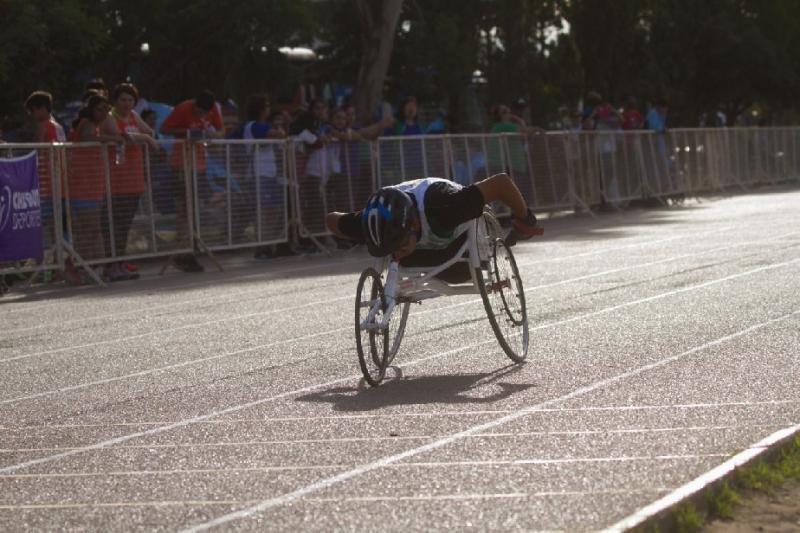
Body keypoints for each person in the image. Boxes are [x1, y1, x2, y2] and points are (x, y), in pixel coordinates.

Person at [325, 174, 540, 283]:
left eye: (400, 243)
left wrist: (525, 219)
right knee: (402, 258)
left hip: (459, 242)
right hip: (423, 247)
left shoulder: (446, 207)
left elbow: (502, 183)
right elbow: (332, 220)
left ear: (414, 224)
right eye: (393, 247)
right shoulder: (368, 222)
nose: (397, 251)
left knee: (458, 275)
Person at [159, 90, 225, 272]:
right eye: (199, 112)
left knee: (194, 208)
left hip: (200, 164)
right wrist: (188, 132)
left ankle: (190, 248)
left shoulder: (213, 110)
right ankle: (184, 252)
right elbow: (164, 129)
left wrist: (213, 134)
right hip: (181, 163)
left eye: (205, 113)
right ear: (195, 104)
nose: (202, 115)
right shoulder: (183, 108)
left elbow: (221, 130)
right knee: (184, 209)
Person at [100, 83, 158, 281]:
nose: (126, 104)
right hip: (116, 179)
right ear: (115, 101)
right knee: (113, 224)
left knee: (125, 225)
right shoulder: (110, 116)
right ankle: (111, 264)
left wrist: (144, 136)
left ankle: (120, 262)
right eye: (123, 99)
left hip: (134, 178)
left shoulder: (134, 115)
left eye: (130, 100)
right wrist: (144, 138)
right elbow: (122, 136)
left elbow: (148, 131)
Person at [66, 94, 124, 283]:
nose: (103, 113)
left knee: (92, 228)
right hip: (83, 185)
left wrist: (112, 133)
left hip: (93, 184)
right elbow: (88, 136)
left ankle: (88, 264)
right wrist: (111, 138)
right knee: (88, 228)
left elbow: (111, 133)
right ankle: (80, 265)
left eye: (106, 109)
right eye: (100, 109)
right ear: (91, 109)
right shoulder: (86, 123)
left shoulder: (99, 123)